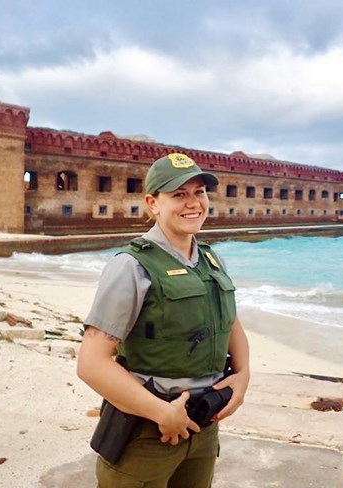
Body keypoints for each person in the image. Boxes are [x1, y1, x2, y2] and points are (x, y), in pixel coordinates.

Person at [77, 152, 250, 488]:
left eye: (199, 192)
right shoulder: (131, 266)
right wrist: (162, 413)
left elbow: (230, 322)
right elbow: (91, 363)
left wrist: (242, 378)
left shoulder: (212, 260)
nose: (193, 203)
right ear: (153, 203)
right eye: (179, 194)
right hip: (147, 433)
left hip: (203, 426)